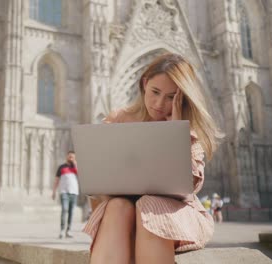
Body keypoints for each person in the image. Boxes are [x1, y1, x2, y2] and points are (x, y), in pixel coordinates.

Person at [83, 53, 222, 264]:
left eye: (170, 97)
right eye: (155, 92)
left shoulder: (187, 129)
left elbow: (191, 186)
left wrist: (175, 132)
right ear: (145, 83)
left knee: (150, 204)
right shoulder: (118, 120)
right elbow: (97, 186)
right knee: (118, 207)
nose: (159, 103)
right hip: (122, 216)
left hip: (175, 214)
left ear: (182, 98)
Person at [52, 151, 79, 239]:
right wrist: (54, 191)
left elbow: (81, 175)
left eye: (73, 157)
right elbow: (56, 180)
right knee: (65, 209)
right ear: (67, 157)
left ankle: (69, 230)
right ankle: (62, 230)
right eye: (70, 157)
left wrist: (75, 164)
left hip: (74, 193)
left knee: (71, 212)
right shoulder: (61, 167)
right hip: (64, 192)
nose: (71, 158)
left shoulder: (76, 168)